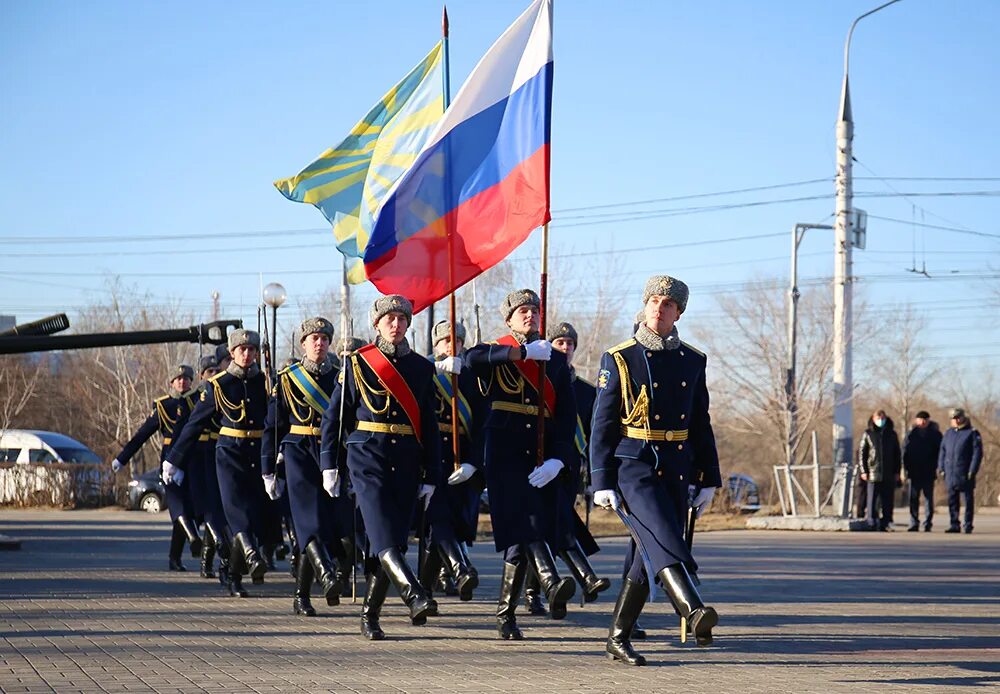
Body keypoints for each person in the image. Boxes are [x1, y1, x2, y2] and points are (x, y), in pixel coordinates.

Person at [590, 275, 721, 666]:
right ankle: (692, 607)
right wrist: (600, 479)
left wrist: (708, 477)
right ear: (645, 305)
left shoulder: (693, 360)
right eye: (653, 300)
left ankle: (617, 637)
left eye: (667, 303)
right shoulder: (620, 356)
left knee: (641, 560)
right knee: (662, 533)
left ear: (679, 311)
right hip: (634, 465)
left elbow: (700, 422)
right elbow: (602, 422)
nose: (658, 308)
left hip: (677, 465)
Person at [320, 295, 439, 640]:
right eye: (389, 318)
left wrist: (431, 473)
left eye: (402, 318)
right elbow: (335, 418)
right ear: (377, 324)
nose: (396, 323)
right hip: (366, 456)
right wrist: (330, 464)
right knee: (381, 530)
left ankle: (369, 616)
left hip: (405, 459)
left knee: (392, 543)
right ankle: (414, 594)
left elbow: (429, 425)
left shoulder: (420, 367)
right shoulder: (357, 364)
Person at [465, 289, 578, 640]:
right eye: (522, 311)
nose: (529, 316)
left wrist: (560, 457)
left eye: (534, 310)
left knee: (520, 535)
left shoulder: (554, 361)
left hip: (539, 452)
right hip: (503, 449)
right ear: (509, 318)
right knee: (523, 517)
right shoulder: (496, 351)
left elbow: (566, 415)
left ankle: (505, 615)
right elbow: (471, 360)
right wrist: (522, 353)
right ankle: (549, 579)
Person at [166, 329, 270, 597]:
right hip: (229, 455)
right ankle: (250, 555)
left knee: (254, 514)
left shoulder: (265, 381)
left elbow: (274, 421)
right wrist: (173, 459)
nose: (247, 355)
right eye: (241, 350)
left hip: (256, 454)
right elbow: (194, 424)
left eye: (251, 350)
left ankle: (233, 575)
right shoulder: (218, 385)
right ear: (232, 353)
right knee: (237, 512)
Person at [263, 317, 343, 616]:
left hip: (328, 453)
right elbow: (273, 427)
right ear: (303, 344)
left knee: (322, 521)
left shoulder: (339, 378)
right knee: (308, 519)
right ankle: (326, 574)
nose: (319, 343)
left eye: (324, 338)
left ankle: (301, 595)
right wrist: (268, 469)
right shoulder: (287, 379)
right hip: (297, 451)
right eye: (313, 338)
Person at [111, 364, 201, 571]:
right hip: (170, 460)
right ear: (171, 382)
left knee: (188, 507)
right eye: (178, 379)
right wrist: (122, 459)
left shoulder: (198, 402)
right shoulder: (163, 407)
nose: (182, 382)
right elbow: (141, 436)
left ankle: (174, 557)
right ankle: (192, 537)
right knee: (177, 504)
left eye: (186, 378)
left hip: (192, 459)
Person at [419, 320, 483, 606]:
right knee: (438, 517)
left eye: (456, 340)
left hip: (461, 457)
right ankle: (460, 568)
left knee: (450, 524)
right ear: (435, 345)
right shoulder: (424, 371)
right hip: (432, 456)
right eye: (445, 340)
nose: (450, 345)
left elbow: (482, 421)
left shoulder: (472, 375)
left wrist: (472, 462)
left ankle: (424, 590)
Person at [546, 321, 610, 604]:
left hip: (572, 467)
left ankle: (542, 591)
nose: (566, 348)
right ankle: (584, 578)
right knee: (558, 520)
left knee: (553, 525)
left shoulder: (586, 391)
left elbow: (596, 431)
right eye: (560, 343)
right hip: (545, 463)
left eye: (570, 344)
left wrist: (593, 475)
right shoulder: (543, 381)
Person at [938, 407, 983, 534]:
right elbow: (942, 451)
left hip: (965, 472)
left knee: (967, 500)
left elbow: (977, 454)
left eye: (958, 418)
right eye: (953, 418)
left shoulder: (972, 433)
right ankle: (954, 523)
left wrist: (972, 470)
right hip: (950, 473)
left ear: (963, 417)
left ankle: (968, 524)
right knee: (952, 500)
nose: (956, 421)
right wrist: (941, 467)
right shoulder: (948, 433)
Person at [856, 409, 902, 531]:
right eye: (878, 418)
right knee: (872, 499)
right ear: (873, 419)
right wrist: (863, 471)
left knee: (887, 500)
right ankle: (871, 522)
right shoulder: (868, 434)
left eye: (882, 418)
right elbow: (862, 454)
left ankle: (885, 522)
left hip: (888, 472)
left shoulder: (891, 434)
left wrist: (897, 472)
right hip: (873, 472)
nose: (880, 421)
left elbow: (897, 454)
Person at [902, 411, 942, 532]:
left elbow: (941, 452)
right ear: (916, 420)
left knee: (928, 498)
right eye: (920, 419)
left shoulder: (935, 434)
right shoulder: (911, 434)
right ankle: (914, 522)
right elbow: (904, 452)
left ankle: (928, 522)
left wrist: (938, 467)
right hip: (914, 471)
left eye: (925, 419)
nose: (923, 421)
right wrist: (904, 468)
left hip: (928, 471)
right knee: (913, 498)